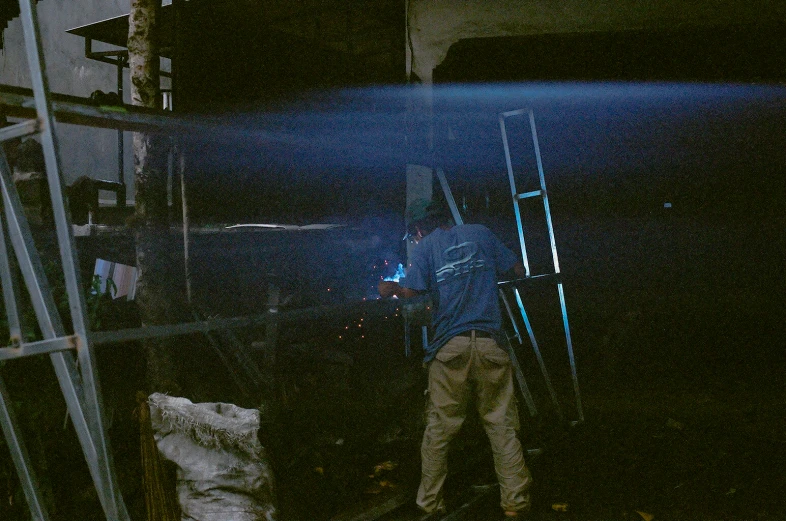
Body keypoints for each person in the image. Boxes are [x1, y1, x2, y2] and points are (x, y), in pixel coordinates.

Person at [378, 199, 533, 519]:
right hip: (490, 344)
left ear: (419, 229)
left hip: (450, 349)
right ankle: (516, 503)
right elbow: (518, 270)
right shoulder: (481, 233)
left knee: (439, 431)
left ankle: (431, 505)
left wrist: (390, 287)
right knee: (502, 426)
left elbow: (411, 293)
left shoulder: (424, 248)